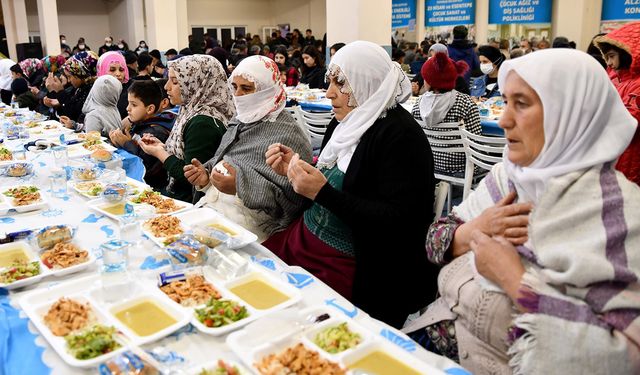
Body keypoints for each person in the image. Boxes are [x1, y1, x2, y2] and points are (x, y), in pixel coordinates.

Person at [406, 49, 640, 375]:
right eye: (505, 101)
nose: (503, 119)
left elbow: (624, 358)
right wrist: (469, 231)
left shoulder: (618, 216)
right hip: (432, 334)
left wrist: (515, 280)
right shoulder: (510, 177)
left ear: (571, 113)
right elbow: (433, 242)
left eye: (522, 103)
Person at [263, 41, 438, 328]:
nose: (329, 92)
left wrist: (322, 193)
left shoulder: (401, 136)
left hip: (357, 265)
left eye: (341, 83)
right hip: (304, 240)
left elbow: (400, 221)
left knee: (289, 323)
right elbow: (330, 182)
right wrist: (293, 169)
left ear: (367, 84)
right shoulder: (345, 122)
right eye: (329, 81)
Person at [183, 56, 311, 240]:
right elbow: (225, 159)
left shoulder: (289, 135)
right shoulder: (240, 121)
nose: (238, 95)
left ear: (267, 90)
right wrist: (205, 178)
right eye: (234, 87)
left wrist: (240, 186)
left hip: (251, 229)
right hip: (212, 211)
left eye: (247, 88)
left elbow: (294, 197)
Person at [137, 55, 234, 203]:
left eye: (175, 82)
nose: (166, 86)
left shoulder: (203, 123)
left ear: (197, 84)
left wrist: (160, 152)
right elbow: (184, 153)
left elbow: (192, 178)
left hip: (187, 201)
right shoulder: (190, 109)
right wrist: (163, 147)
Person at [413, 52, 481, 176]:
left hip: (429, 164)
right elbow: (476, 144)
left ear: (429, 80)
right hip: (461, 168)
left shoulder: (418, 104)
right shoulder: (466, 103)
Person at [596, 22, 640, 185]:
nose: (608, 62)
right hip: (613, 152)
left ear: (628, 53)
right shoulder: (614, 78)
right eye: (606, 57)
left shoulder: (637, 84)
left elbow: (629, 122)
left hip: (631, 154)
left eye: (612, 56)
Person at [110, 80, 175, 189]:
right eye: (128, 103)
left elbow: (145, 166)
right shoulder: (140, 123)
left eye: (134, 105)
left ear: (150, 109)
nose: (127, 108)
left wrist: (126, 143)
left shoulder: (156, 132)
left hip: (149, 187)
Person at [46, 51, 98, 124]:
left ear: (81, 74)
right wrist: (58, 104)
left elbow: (73, 116)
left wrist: (60, 91)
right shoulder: (78, 88)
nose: (69, 80)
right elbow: (65, 113)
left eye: (69, 76)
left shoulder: (91, 89)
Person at [97, 51, 130, 119]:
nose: (118, 74)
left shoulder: (131, 90)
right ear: (102, 71)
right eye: (112, 70)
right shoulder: (96, 90)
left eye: (121, 70)